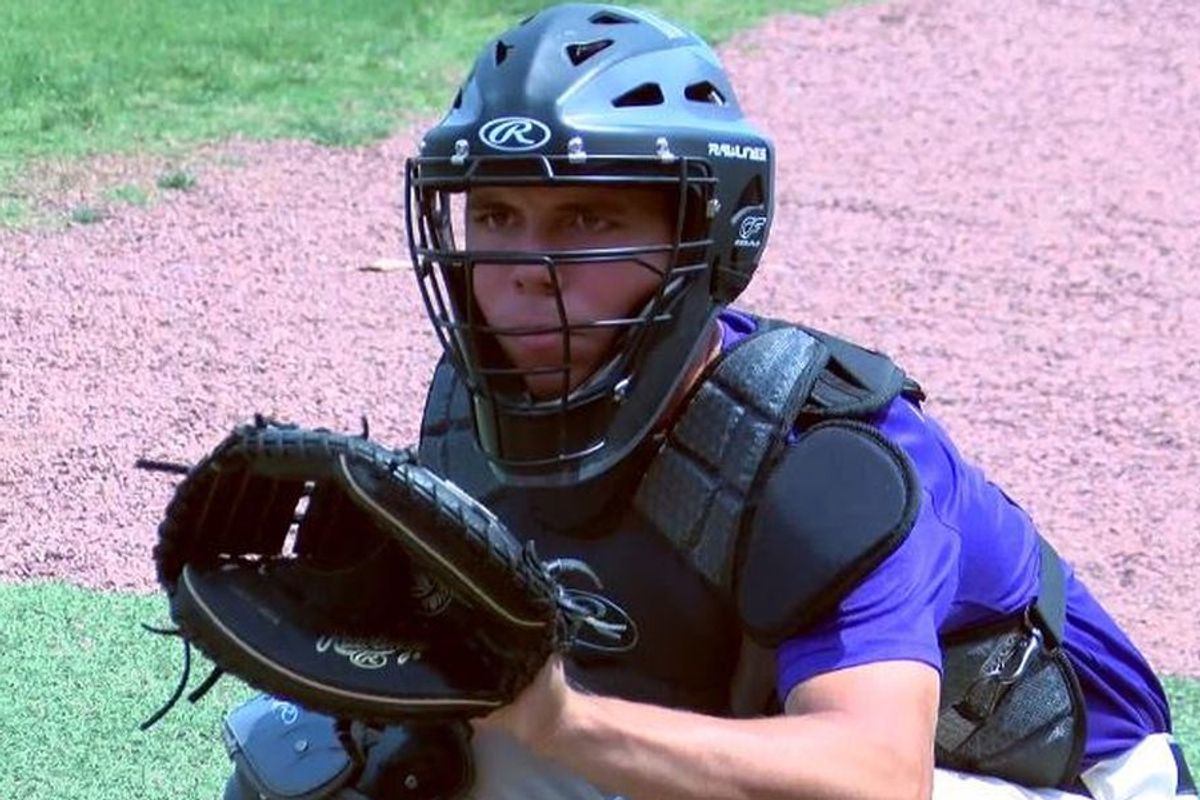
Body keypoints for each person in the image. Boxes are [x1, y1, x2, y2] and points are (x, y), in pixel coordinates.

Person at [223, 3, 1195, 799]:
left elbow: (873, 776)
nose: (525, 267)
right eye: (499, 214)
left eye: (587, 218)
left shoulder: (830, 461)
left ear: (713, 232)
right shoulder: (472, 415)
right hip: (759, 733)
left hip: (1041, 782)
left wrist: (561, 723)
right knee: (332, 753)